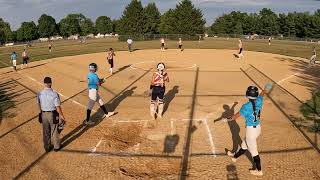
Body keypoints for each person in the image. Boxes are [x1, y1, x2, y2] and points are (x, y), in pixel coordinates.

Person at [226, 84, 273, 176]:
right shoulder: (259, 100)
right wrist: (266, 89)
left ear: (247, 95)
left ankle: (259, 171)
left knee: (254, 152)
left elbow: (234, 117)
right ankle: (234, 156)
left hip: (251, 132)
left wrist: (227, 119)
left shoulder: (246, 106)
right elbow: (262, 94)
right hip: (258, 129)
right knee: (244, 145)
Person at [37, 77, 66, 152]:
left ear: (44, 83)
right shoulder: (54, 93)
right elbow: (58, 107)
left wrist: (40, 113)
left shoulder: (40, 93)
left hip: (43, 114)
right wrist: (62, 116)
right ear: (51, 83)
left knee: (46, 131)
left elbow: (39, 104)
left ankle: (47, 147)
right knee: (54, 130)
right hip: (52, 114)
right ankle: (56, 147)